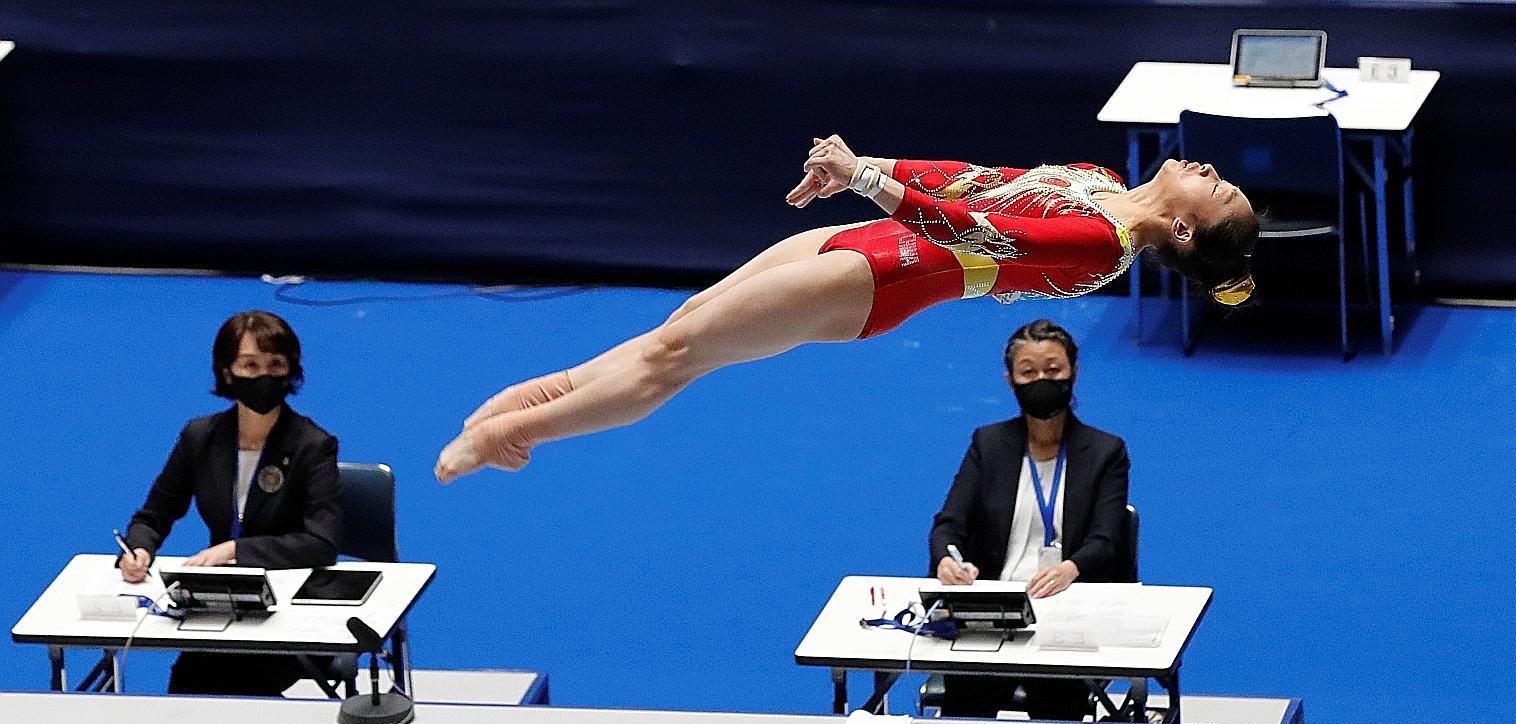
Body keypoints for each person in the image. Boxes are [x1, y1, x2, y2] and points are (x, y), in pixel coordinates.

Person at [435, 135, 1258, 481]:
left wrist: (871, 181)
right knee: (686, 321)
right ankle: (541, 396)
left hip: (882, 283)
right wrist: (871, 164)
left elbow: (976, 228)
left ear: (1184, 228)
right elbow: (970, 179)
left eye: (1216, 189)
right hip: (874, 242)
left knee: (679, 359)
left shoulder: (1095, 249)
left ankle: (518, 436)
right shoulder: (1102, 184)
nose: (1209, 167)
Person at [118, 311, 343, 695]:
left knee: (245, 690)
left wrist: (236, 550)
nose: (265, 376)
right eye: (250, 366)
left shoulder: (313, 445)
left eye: (276, 364)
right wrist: (139, 548)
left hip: (288, 607)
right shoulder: (200, 437)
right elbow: (155, 513)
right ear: (227, 373)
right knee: (189, 689)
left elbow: (321, 543)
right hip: (217, 603)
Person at [929, 319, 1129, 721]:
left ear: (1074, 372)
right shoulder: (988, 445)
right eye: (1028, 372)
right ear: (1011, 381)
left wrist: (1072, 568)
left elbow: (1107, 539)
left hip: (1065, 607)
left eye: (1053, 370)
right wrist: (946, 561)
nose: (1041, 380)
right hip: (993, 607)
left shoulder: (1105, 451)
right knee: (967, 697)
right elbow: (948, 524)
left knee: (1055, 702)